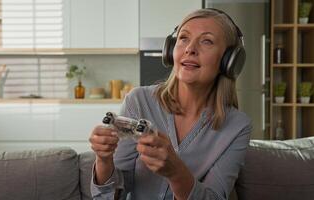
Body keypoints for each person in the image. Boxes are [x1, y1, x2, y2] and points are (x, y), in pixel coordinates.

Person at [89, 8, 252, 200]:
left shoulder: (237, 126)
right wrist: (103, 160)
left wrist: (176, 172)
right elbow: (109, 197)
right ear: (170, 50)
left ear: (229, 61)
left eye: (206, 41)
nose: (190, 48)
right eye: (183, 38)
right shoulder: (138, 101)